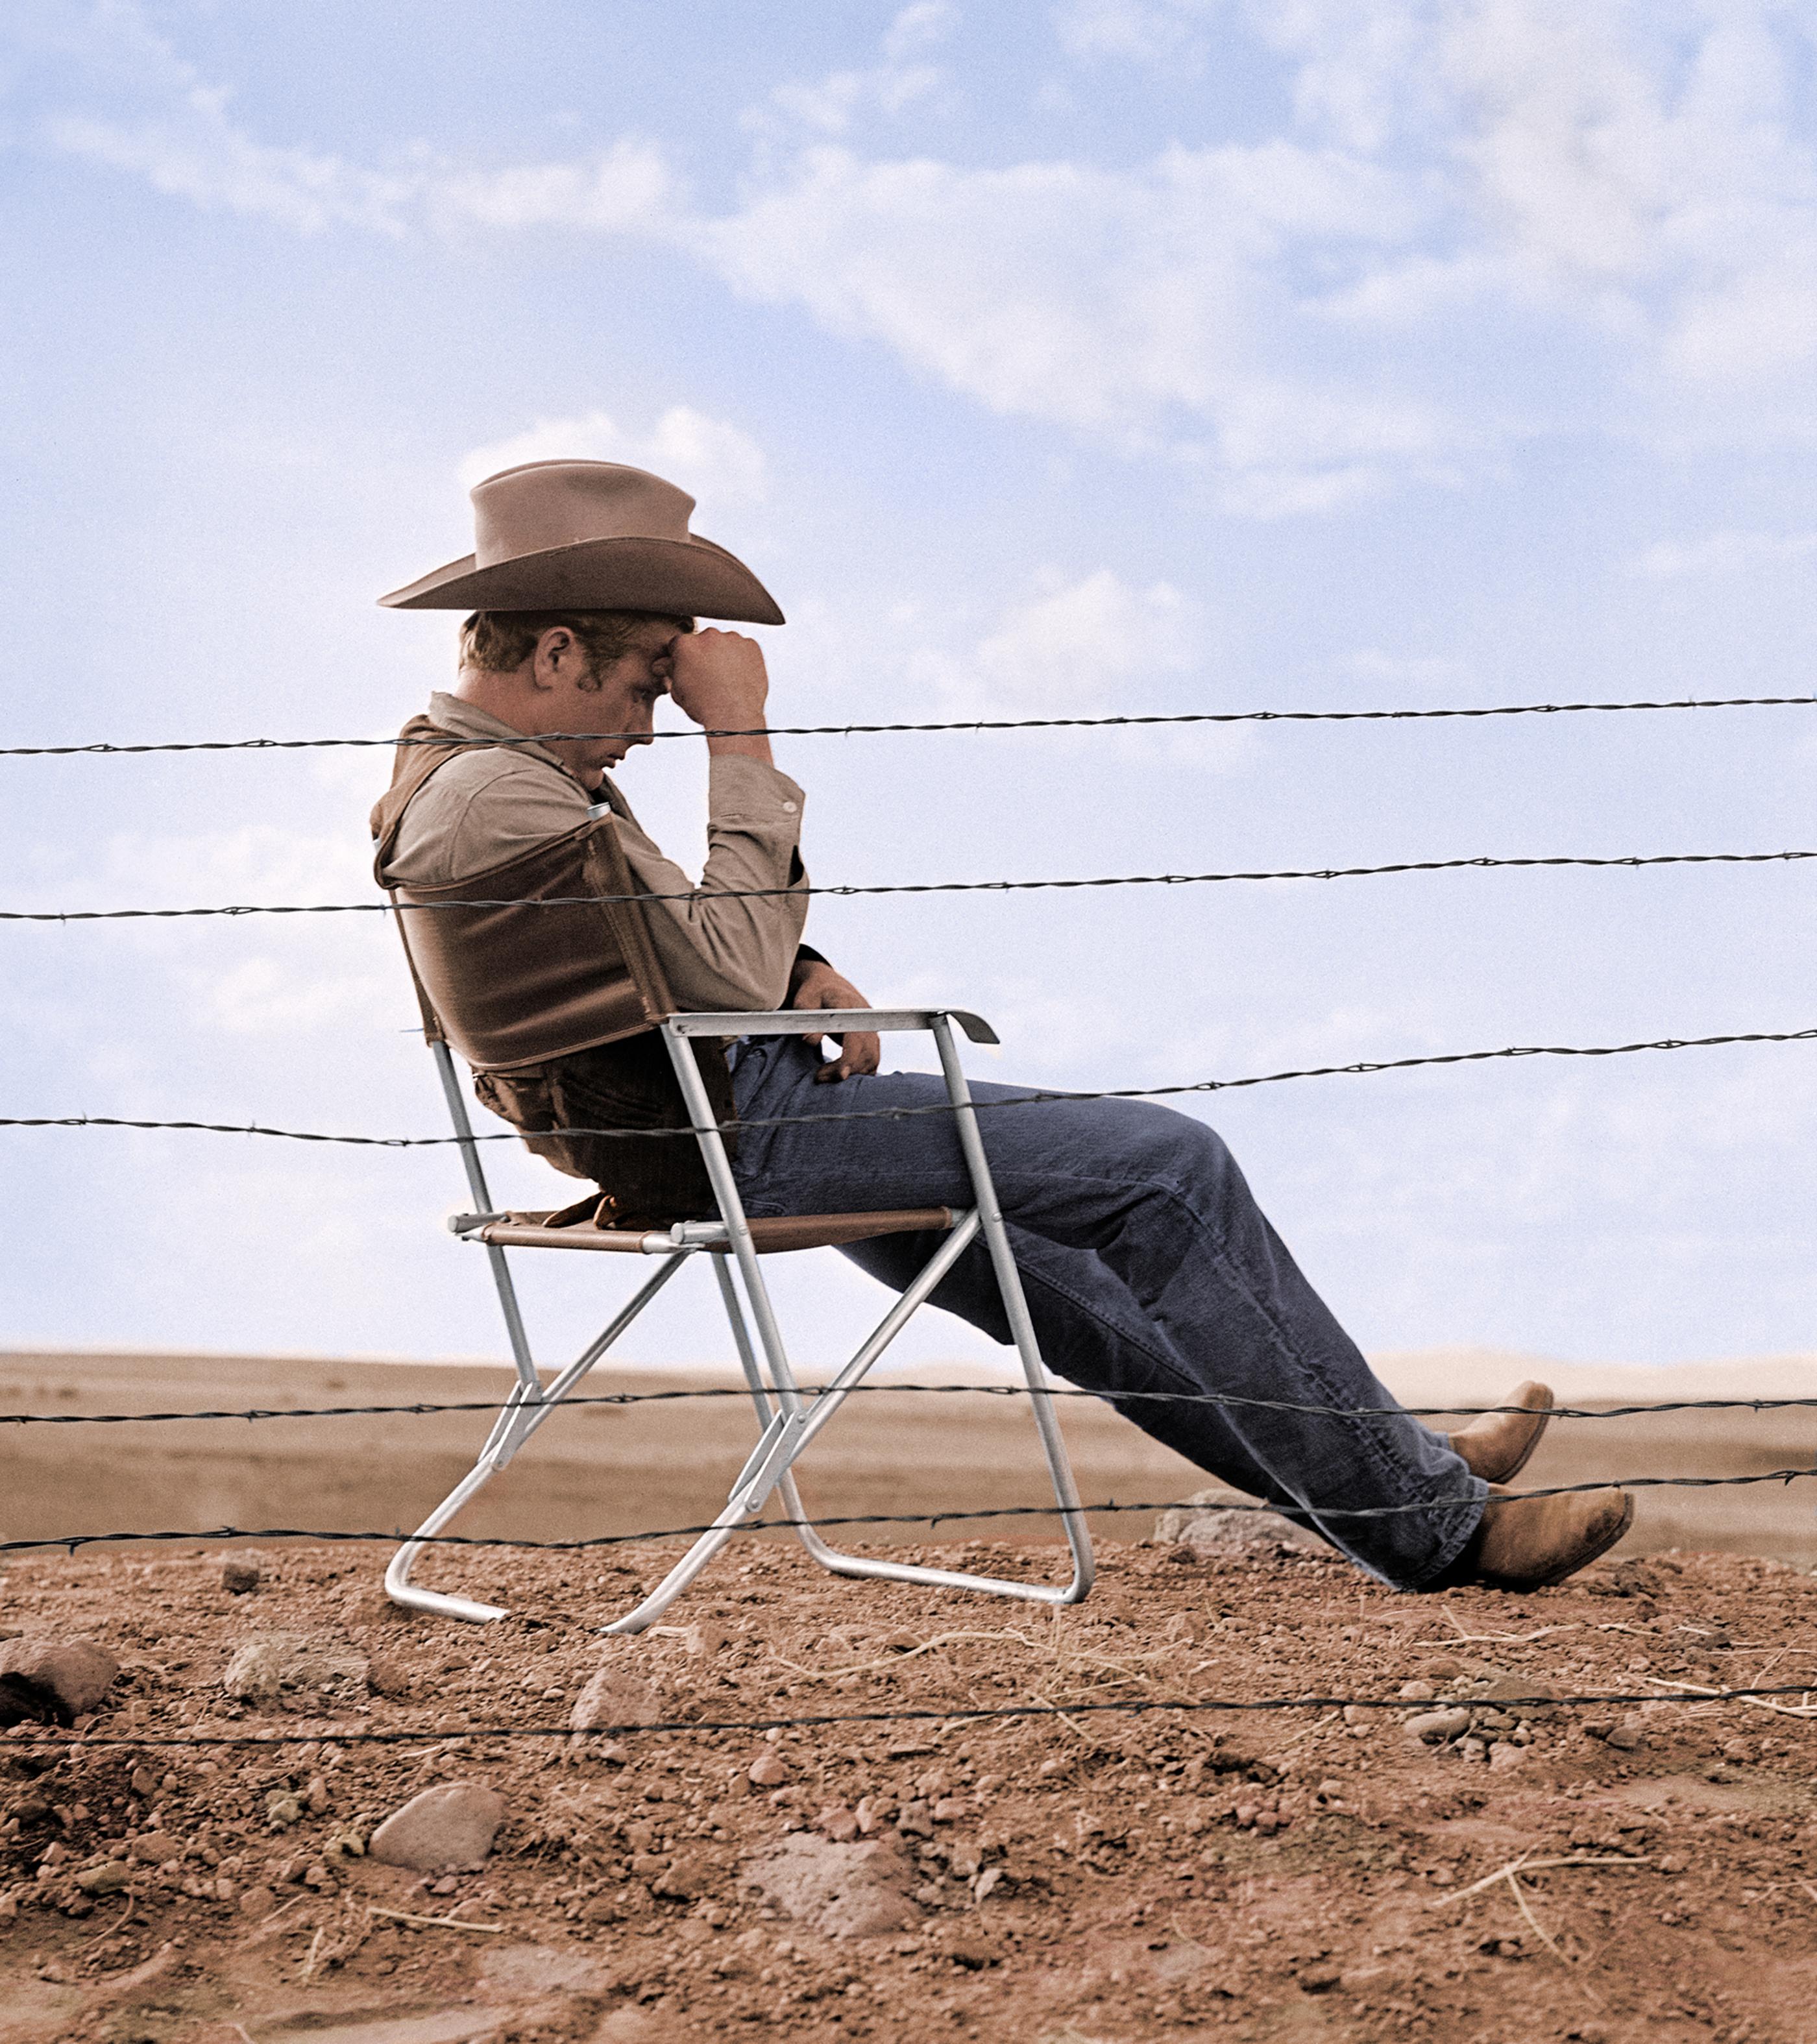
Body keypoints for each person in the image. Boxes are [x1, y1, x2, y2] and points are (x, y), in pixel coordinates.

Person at [372, 457, 1633, 1594]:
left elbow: (659, 958)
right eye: (647, 681)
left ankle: (1394, 1471)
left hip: (703, 1120)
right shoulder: (502, 797)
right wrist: (743, 737)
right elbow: (715, 970)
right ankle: (1433, 1524)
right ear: (551, 657)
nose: (654, 723)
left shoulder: (477, 786)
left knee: (1072, 1285)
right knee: (1164, 1170)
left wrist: (796, 963)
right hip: (737, 1133)